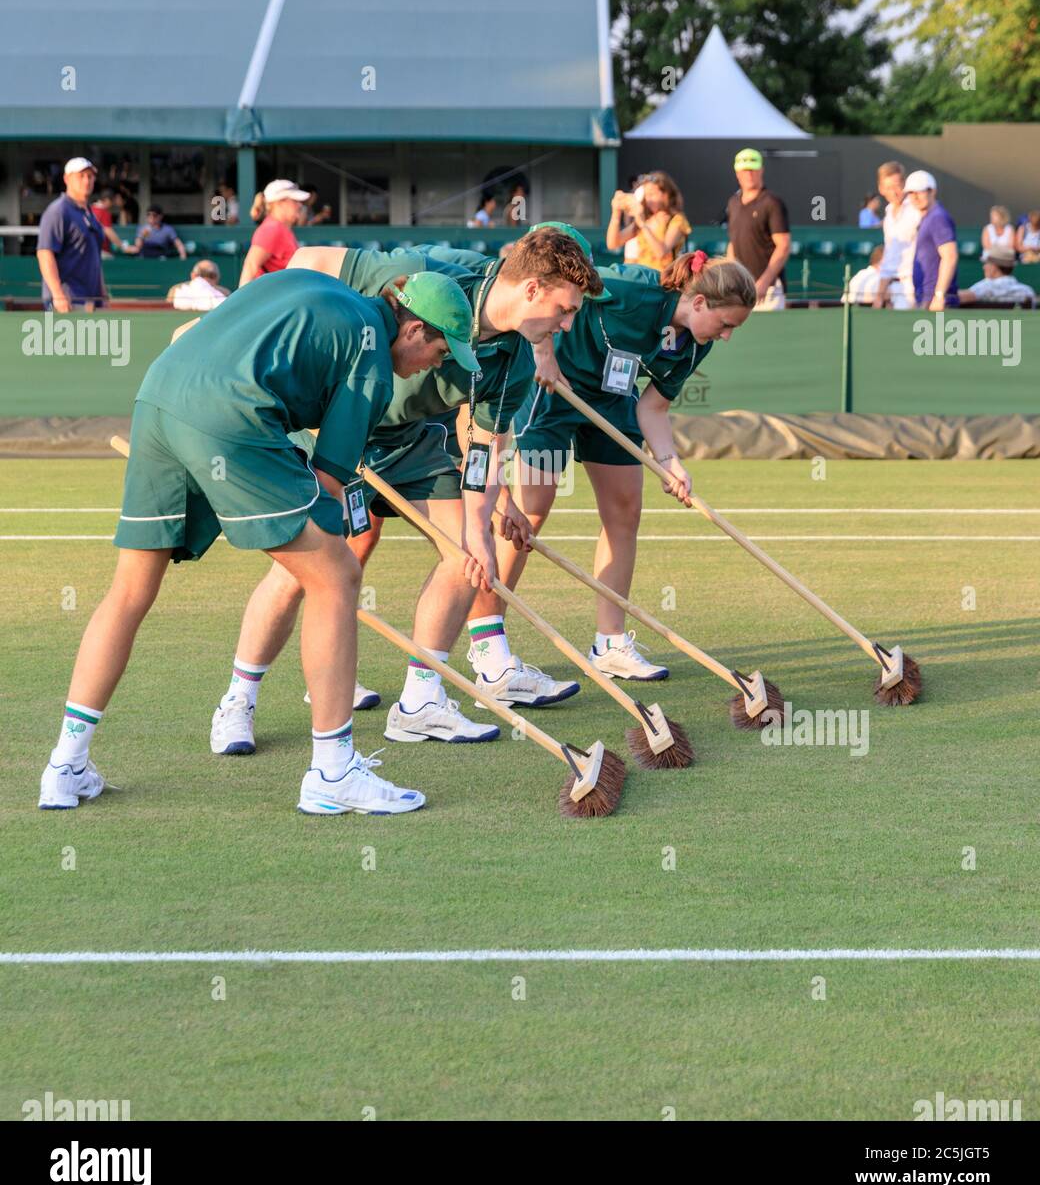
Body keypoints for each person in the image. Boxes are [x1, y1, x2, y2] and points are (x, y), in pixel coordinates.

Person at [38, 266, 477, 817]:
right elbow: (329, 486)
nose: (433, 368)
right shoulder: (372, 358)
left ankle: (65, 766)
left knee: (128, 592)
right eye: (438, 355)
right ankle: (333, 772)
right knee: (338, 577)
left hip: (159, 394)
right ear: (413, 330)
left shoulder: (312, 286)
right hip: (231, 412)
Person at [209, 227, 602, 752]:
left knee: (464, 549)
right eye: (565, 308)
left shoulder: (515, 358)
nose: (567, 323)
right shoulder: (432, 269)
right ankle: (239, 700)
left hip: (414, 440)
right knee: (301, 571)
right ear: (532, 289)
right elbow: (309, 257)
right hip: (335, 427)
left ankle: (420, 701)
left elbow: (483, 444)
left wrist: (485, 525)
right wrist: (247, 326)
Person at [469, 251, 756, 681]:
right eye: (726, 324)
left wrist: (669, 462)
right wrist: (542, 351)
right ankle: (487, 644)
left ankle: (610, 643)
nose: (727, 336)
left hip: (612, 401)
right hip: (553, 392)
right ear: (699, 303)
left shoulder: (696, 344)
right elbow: (554, 289)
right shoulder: (627, 290)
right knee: (528, 514)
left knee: (625, 510)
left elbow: (655, 407)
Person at [36, 157, 109, 312]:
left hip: (91, 301)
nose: (86, 181)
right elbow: (45, 253)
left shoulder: (89, 213)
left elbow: (94, 256)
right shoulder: (58, 211)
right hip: (68, 302)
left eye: (90, 176)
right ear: (67, 179)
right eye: (80, 176)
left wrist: (102, 293)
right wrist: (58, 295)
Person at [725, 148, 790, 309]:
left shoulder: (772, 202)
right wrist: (728, 278)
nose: (749, 175)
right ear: (737, 173)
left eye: (753, 170)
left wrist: (764, 282)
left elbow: (783, 246)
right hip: (740, 289)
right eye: (745, 170)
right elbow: (733, 244)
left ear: (761, 170)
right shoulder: (733, 203)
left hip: (768, 291)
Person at [607, 171, 691, 270]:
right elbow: (613, 244)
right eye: (646, 195)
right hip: (644, 278)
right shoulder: (646, 220)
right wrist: (616, 214)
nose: (648, 200)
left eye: (652, 194)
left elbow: (661, 252)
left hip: (665, 280)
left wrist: (642, 224)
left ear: (666, 194)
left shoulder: (677, 220)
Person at [239, 180, 309, 286]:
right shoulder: (272, 229)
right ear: (280, 203)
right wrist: (241, 301)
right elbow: (250, 266)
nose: (299, 205)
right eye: (295, 201)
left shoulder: (282, 229)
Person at [906, 170, 959, 310]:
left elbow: (950, 256)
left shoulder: (938, 217)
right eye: (911, 193)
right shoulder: (927, 218)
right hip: (926, 299)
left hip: (936, 302)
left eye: (920, 192)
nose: (915, 197)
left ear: (932, 192)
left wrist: (939, 295)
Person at [872, 161, 920, 310]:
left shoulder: (917, 210)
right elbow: (889, 257)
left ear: (905, 184)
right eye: (888, 187)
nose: (893, 192)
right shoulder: (888, 213)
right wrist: (879, 296)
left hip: (913, 286)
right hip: (892, 289)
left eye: (897, 186)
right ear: (880, 189)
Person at [958, 246, 1036, 308]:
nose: (984, 267)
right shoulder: (1028, 292)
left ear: (993, 267)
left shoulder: (986, 286)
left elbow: (958, 298)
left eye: (986, 263)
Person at [91, 189, 125, 257]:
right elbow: (109, 232)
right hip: (101, 251)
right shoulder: (104, 212)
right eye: (112, 201)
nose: (112, 204)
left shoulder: (89, 209)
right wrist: (124, 247)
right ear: (107, 200)